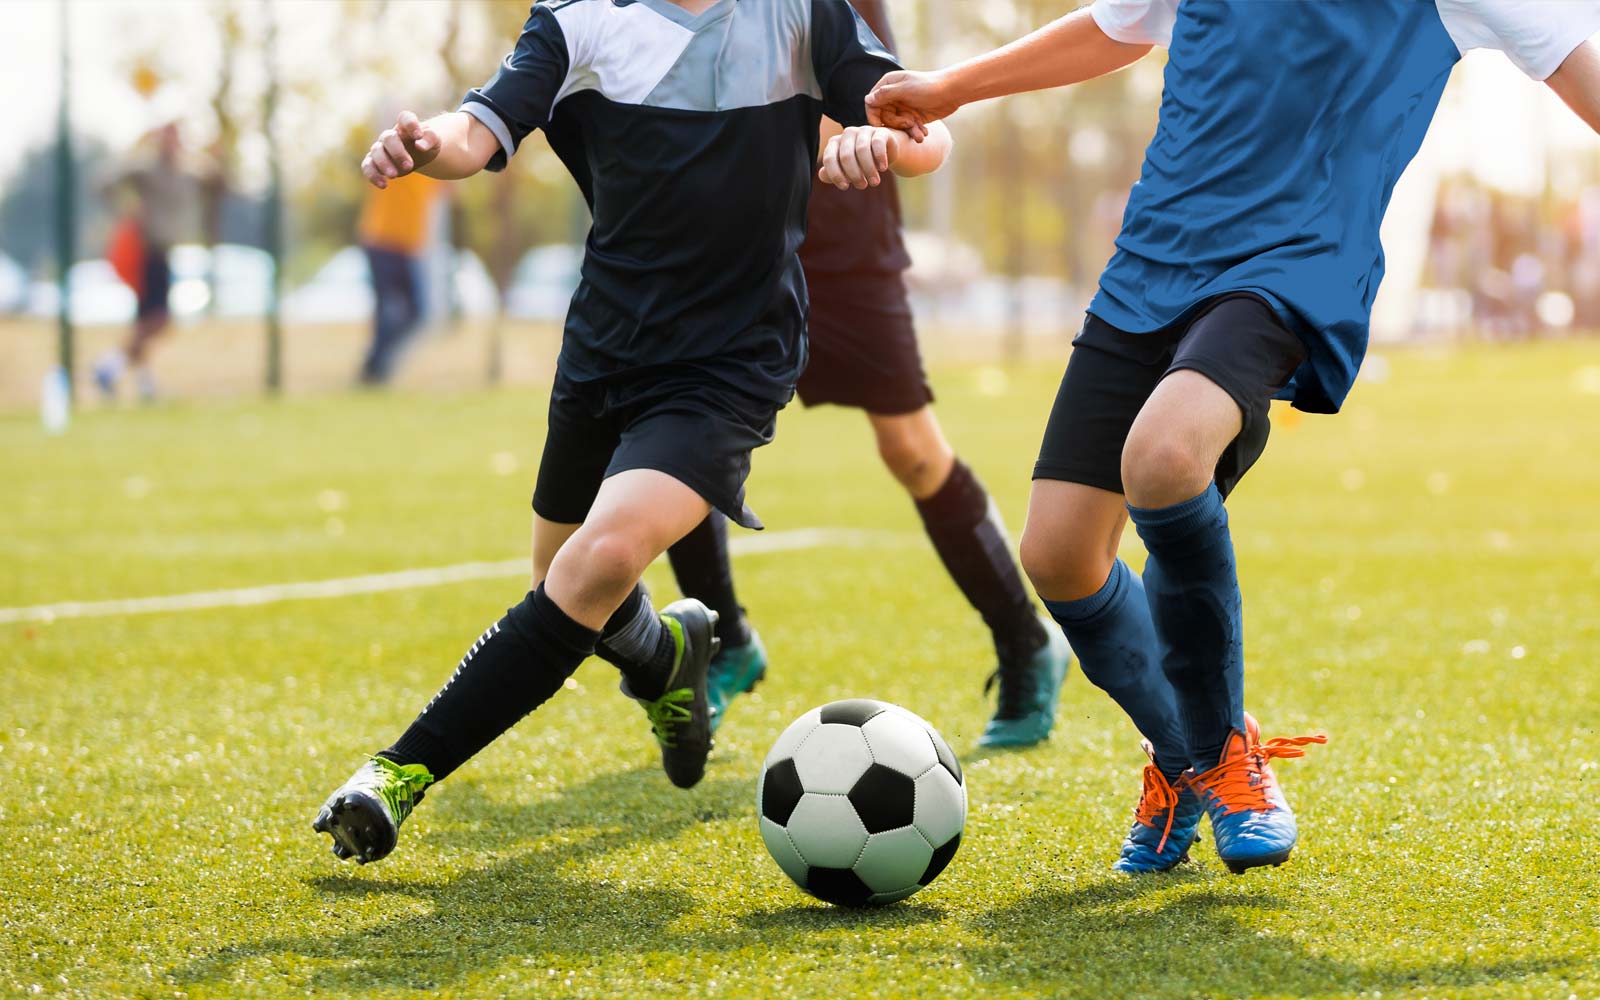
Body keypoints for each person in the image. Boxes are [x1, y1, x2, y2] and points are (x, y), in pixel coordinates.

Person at [867, 1, 1600, 874]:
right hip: (1153, 260)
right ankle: (1185, 754)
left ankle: (1223, 760)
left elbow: (1575, 68)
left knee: (1167, 457)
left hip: (1292, 262)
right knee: (1059, 554)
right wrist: (951, 87)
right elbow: (1116, 25)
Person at [314, 0, 952, 865]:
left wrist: (880, 141)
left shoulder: (800, 12)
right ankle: (666, 657)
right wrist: (427, 145)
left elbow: (926, 132)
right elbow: (480, 127)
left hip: (733, 358)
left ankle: (395, 774)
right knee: (563, 581)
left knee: (598, 562)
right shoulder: (578, 19)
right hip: (605, 348)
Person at [665, 0, 1070, 749]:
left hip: (846, 232)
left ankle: (1026, 639)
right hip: (731, 236)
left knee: (912, 450)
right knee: (683, 435)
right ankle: (726, 641)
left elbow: (888, 98)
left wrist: (851, 131)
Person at [95, 123, 196, 402]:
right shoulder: (145, 169)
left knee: (145, 322)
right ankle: (108, 367)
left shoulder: (185, 171)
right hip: (147, 253)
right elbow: (105, 182)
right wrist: (124, 210)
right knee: (158, 320)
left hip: (165, 252)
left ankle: (144, 384)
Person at [356, 170, 445, 385]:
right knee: (391, 310)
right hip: (383, 239)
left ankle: (376, 368)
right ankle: (375, 370)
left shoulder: (439, 164)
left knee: (414, 312)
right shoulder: (402, 155)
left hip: (408, 246)